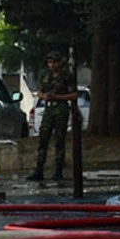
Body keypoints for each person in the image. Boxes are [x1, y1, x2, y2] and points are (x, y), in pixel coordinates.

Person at [27, 51, 78, 181]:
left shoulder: (66, 76)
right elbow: (39, 92)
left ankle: (58, 171)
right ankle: (39, 170)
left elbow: (73, 95)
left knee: (59, 140)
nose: (52, 65)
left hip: (61, 108)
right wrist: (44, 96)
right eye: (50, 62)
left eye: (54, 62)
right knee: (43, 139)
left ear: (59, 62)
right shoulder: (46, 75)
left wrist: (58, 97)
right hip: (48, 109)